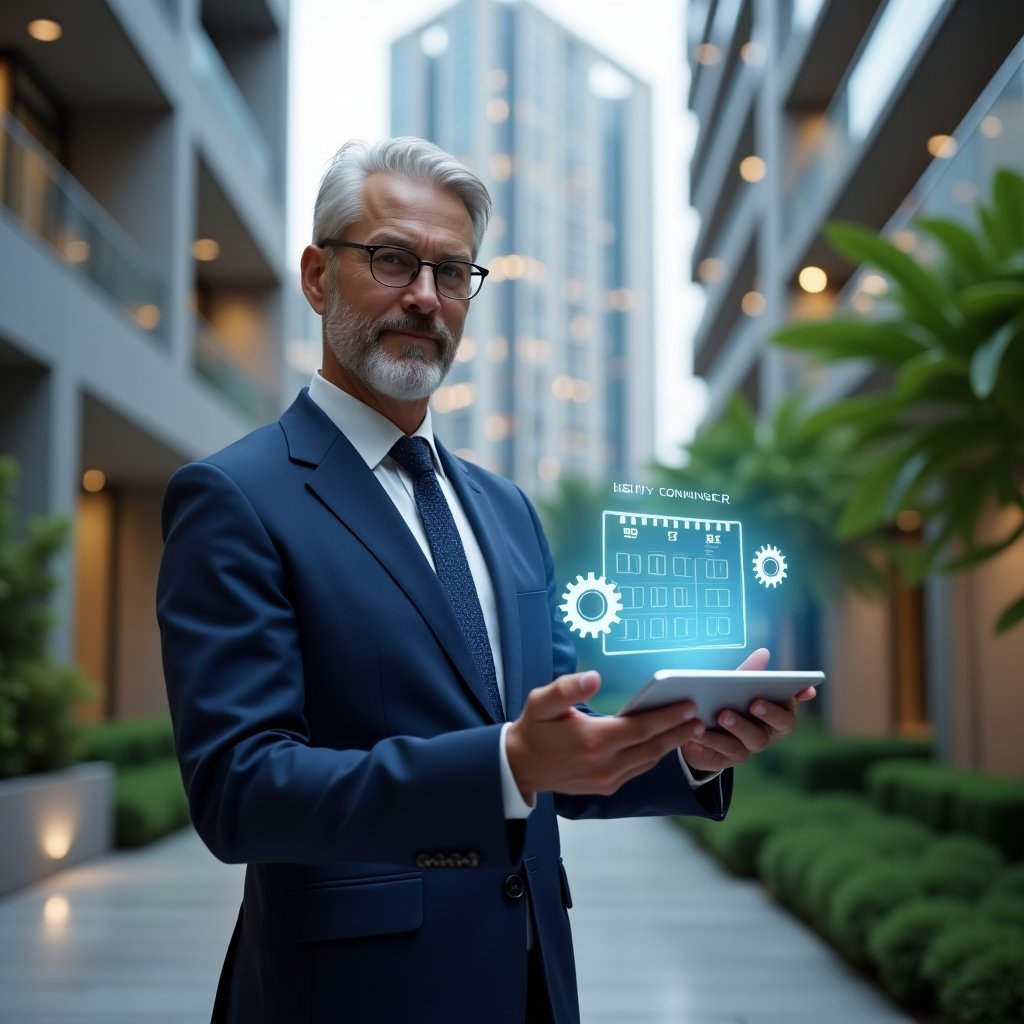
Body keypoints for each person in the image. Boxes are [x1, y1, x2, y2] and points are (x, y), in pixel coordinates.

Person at [157, 136, 812, 1024]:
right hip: (351, 999)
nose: (426, 297)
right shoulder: (235, 497)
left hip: (532, 986)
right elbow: (240, 789)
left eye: (453, 272)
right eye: (392, 260)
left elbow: (561, 745)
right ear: (317, 277)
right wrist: (501, 764)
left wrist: (687, 750)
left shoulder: (506, 511)